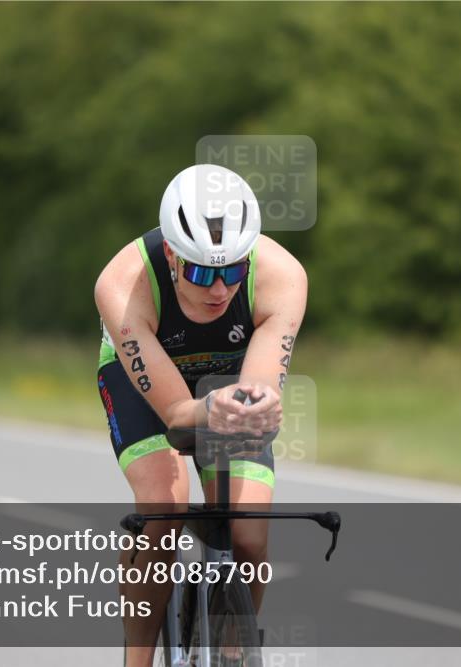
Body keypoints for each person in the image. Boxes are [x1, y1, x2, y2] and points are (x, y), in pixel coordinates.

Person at [94, 164, 307, 666]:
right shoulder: (122, 285)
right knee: (163, 510)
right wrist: (207, 410)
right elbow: (175, 413)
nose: (218, 289)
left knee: (249, 535)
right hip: (150, 385)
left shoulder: (283, 276)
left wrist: (256, 405)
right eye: (200, 272)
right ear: (170, 253)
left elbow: (254, 391)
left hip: (226, 379)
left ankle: (233, 650)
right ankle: (138, 660)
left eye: (233, 271)